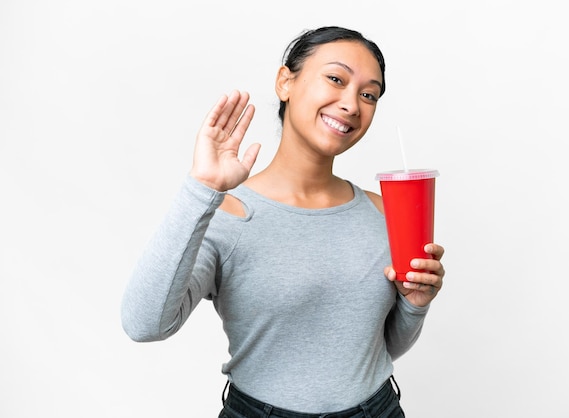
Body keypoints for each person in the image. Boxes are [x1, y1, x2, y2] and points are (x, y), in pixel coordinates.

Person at [121, 26, 445, 418]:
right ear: (285, 82)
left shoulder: (382, 212)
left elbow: (377, 348)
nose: (351, 104)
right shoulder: (228, 215)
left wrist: (415, 305)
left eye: (368, 94)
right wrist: (201, 188)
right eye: (336, 79)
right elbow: (144, 325)